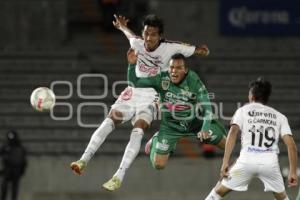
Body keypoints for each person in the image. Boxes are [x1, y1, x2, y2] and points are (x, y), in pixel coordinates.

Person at [70, 14, 210, 191]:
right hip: (133, 91)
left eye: (153, 34)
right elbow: (130, 36)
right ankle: (83, 160)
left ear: (160, 36)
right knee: (109, 121)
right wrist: (122, 27)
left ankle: (118, 175)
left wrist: (202, 50)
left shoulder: (170, 47)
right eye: (146, 33)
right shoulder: (137, 43)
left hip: (152, 95)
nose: (148, 38)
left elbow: (194, 49)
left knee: (138, 130)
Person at [127, 51, 227, 169]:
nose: (174, 70)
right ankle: (155, 139)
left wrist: (205, 129)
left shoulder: (193, 80)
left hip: (195, 123)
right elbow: (134, 83)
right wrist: (132, 65)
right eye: (172, 67)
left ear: (185, 70)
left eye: (178, 68)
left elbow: (207, 107)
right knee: (158, 165)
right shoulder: (161, 78)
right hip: (171, 126)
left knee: (227, 145)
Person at [205, 78, 298, 200]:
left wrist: (225, 162)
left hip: (246, 164)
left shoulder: (243, 111)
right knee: (282, 198)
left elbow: (232, 133)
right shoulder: (280, 116)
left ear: (252, 95)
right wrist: (292, 172)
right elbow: (291, 146)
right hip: (270, 166)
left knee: (218, 192)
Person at [0, 130, 27, 200]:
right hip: (8, 169)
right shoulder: (6, 147)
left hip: (16, 170)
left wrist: (22, 171)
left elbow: (24, 161)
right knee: (4, 186)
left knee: (14, 188)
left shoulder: (20, 148)